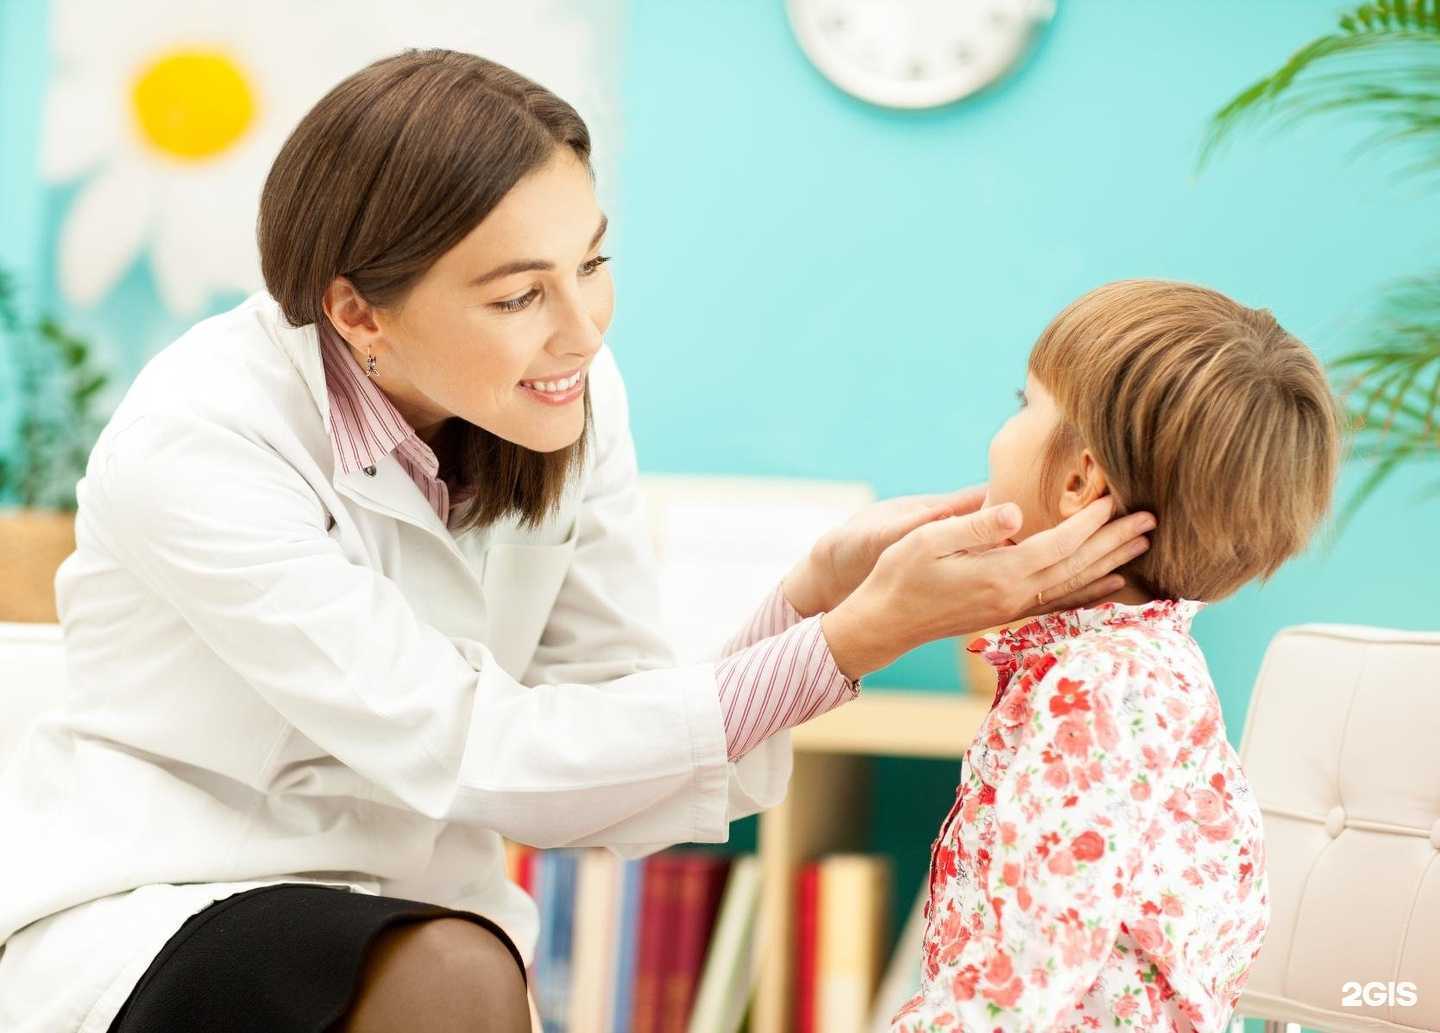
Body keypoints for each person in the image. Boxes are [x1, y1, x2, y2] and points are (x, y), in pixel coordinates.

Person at [0, 51, 1153, 1033]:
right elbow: (471, 749)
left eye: (592, 263)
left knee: (456, 962)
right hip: (174, 897)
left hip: (411, 912)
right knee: (452, 972)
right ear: (357, 311)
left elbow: (619, 740)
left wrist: (808, 605)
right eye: (518, 295)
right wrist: (852, 640)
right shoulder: (199, 441)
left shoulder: (565, 399)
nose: (583, 327)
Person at [890, 279, 1342, 1033]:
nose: (1002, 429)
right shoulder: (1144, 665)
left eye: (1021, 402)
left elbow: (1031, 963)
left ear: (1079, 480)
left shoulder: (1098, 688)